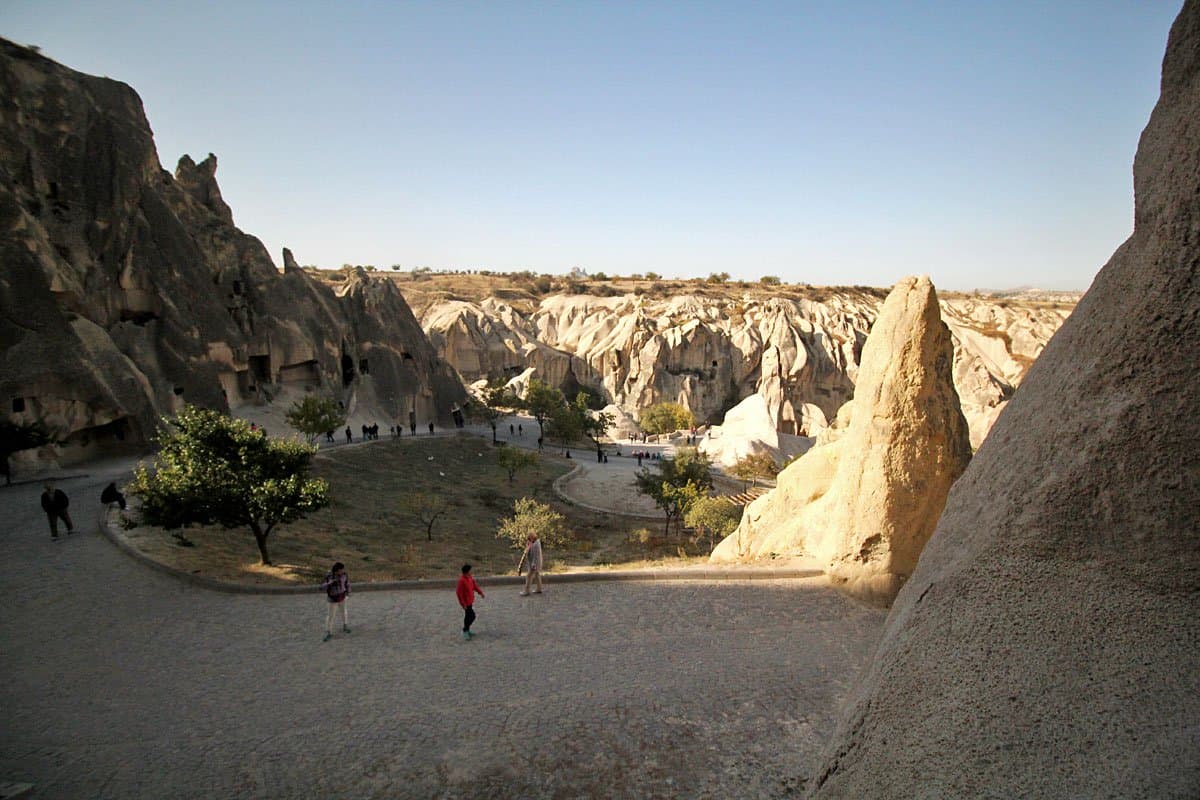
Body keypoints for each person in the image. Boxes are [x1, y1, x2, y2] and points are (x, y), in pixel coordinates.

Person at [319, 562, 351, 642]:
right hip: (332, 599)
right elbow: (321, 587)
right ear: (337, 570)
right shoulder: (329, 576)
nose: (343, 571)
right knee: (331, 616)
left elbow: (347, 583)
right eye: (341, 570)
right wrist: (329, 583)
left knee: (344, 612)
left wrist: (347, 593)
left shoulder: (344, 575)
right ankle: (328, 631)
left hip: (342, 596)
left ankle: (345, 625)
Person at [456, 563, 485, 640]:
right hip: (466, 603)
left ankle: (467, 630)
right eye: (470, 571)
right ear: (466, 571)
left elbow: (474, 586)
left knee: (468, 616)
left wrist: (480, 592)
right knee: (471, 616)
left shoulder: (469, 578)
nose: (471, 572)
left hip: (470, 601)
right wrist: (463, 604)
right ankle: (465, 630)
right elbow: (459, 593)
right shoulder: (461, 581)